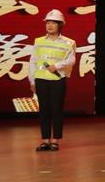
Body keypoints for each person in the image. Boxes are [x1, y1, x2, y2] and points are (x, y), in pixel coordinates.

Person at [29, 9, 76, 151]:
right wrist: (32, 80)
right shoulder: (38, 41)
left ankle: (55, 140)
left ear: (60, 25)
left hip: (58, 79)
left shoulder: (69, 42)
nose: (49, 26)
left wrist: (57, 66)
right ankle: (45, 140)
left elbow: (72, 60)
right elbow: (33, 61)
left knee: (56, 110)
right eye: (48, 23)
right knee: (44, 110)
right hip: (41, 79)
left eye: (53, 23)